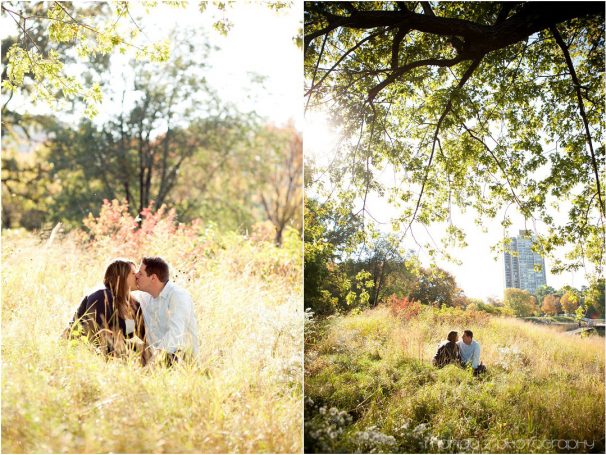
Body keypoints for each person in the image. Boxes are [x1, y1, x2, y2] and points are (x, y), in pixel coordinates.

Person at [64, 259, 147, 361]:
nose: (137, 276)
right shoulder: (101, 297)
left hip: (115, 354)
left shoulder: (132, 303)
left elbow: (133, 335)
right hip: (80, 353)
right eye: (133, 273)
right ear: (121, 277)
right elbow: (97, 336)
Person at [135, 256, 199, 365]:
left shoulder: (178, 295)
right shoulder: (143, 297)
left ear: (153, 278)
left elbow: (176, 335)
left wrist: (152, 363)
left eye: (140, 273)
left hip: (180, 360)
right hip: (154, 360)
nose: (136, 276)